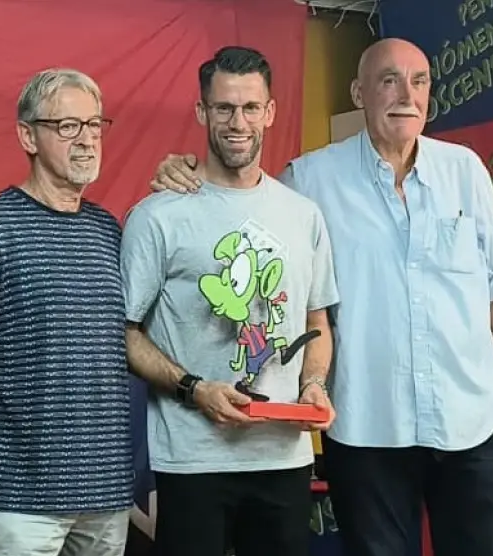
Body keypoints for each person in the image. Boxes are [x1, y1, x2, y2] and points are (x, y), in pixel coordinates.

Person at [147, 38, 493, 556]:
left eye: (418, 81)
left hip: (471, 422)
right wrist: (186, 171)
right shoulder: (310, 181)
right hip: (366, 427)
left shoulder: (465, 171)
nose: (405, 94)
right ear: (359, 93)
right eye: (388, 80)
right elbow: (242, 197)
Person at [120, 46, 340, 556]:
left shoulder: (303, 215)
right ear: (202, 113)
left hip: (283, 459)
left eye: (249, 108)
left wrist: (312, 385)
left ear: (270, 112)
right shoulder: (158, 216)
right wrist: (194, 388)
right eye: (223, 108)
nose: (237, 122)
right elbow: (123, 333)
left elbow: (317, 321)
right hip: (193, 460)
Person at [0, 68, 134, 556]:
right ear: (27, 135)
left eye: (95, 125)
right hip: (14, 505)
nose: (86, 140)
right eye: (67, 126)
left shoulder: (108, 231)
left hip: (106, 499)